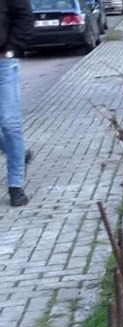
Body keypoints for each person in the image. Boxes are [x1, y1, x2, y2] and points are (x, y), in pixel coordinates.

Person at [0, 0, 33, 207]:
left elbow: (25, 18)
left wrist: (11, 50)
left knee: (9, 123)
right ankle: (18, 153)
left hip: (2, 64)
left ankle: (15, 186)